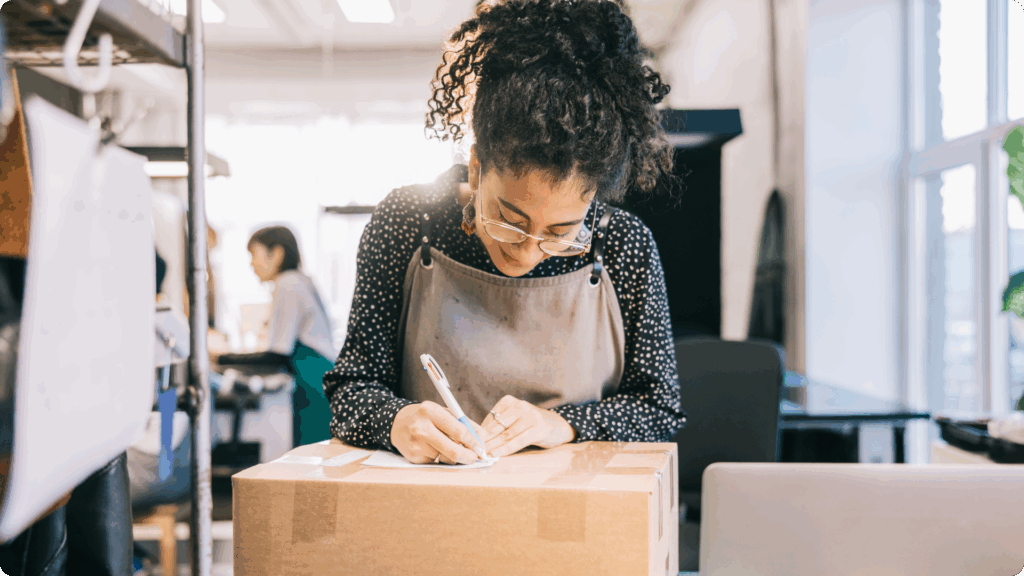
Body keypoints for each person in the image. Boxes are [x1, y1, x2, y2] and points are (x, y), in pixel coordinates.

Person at [325, 0, 685, 465]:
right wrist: (395, 420)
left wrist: (566, 423)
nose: (529, 252)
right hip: (429, 506)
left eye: (560, 232)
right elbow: (351, 389)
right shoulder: (409, 222)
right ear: (476, 169)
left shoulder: (623, 245)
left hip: (576, 519)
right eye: (511, 221)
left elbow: (660, 408)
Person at [218, 226, 336, 447]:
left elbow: (277, 354)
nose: (251, 263)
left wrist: (221, 358)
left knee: (310, 457)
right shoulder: (298, 281)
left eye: (254, 254)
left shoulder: (287, 284)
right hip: (320, 378)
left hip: (313, 383)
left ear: (277, 254)